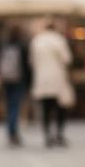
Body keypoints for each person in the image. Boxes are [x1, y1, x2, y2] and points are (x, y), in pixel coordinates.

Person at [30, 19, 73, 147]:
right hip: (57, 78)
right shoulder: (59, 40)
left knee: (46, 109)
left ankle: (47, 134)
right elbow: (67, 59)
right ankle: (59, 134)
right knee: (60, 108)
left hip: (42, 79)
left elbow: (31, 62)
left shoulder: (36, 41)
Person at [0, 24, 31, 147]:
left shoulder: (3, 45)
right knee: (15, 106)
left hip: (6, 79)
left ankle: (10, 131)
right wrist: (28, 82)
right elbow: (26, 67)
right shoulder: (22, 46)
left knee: (9, 105)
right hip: (18, 80)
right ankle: (13, 132)